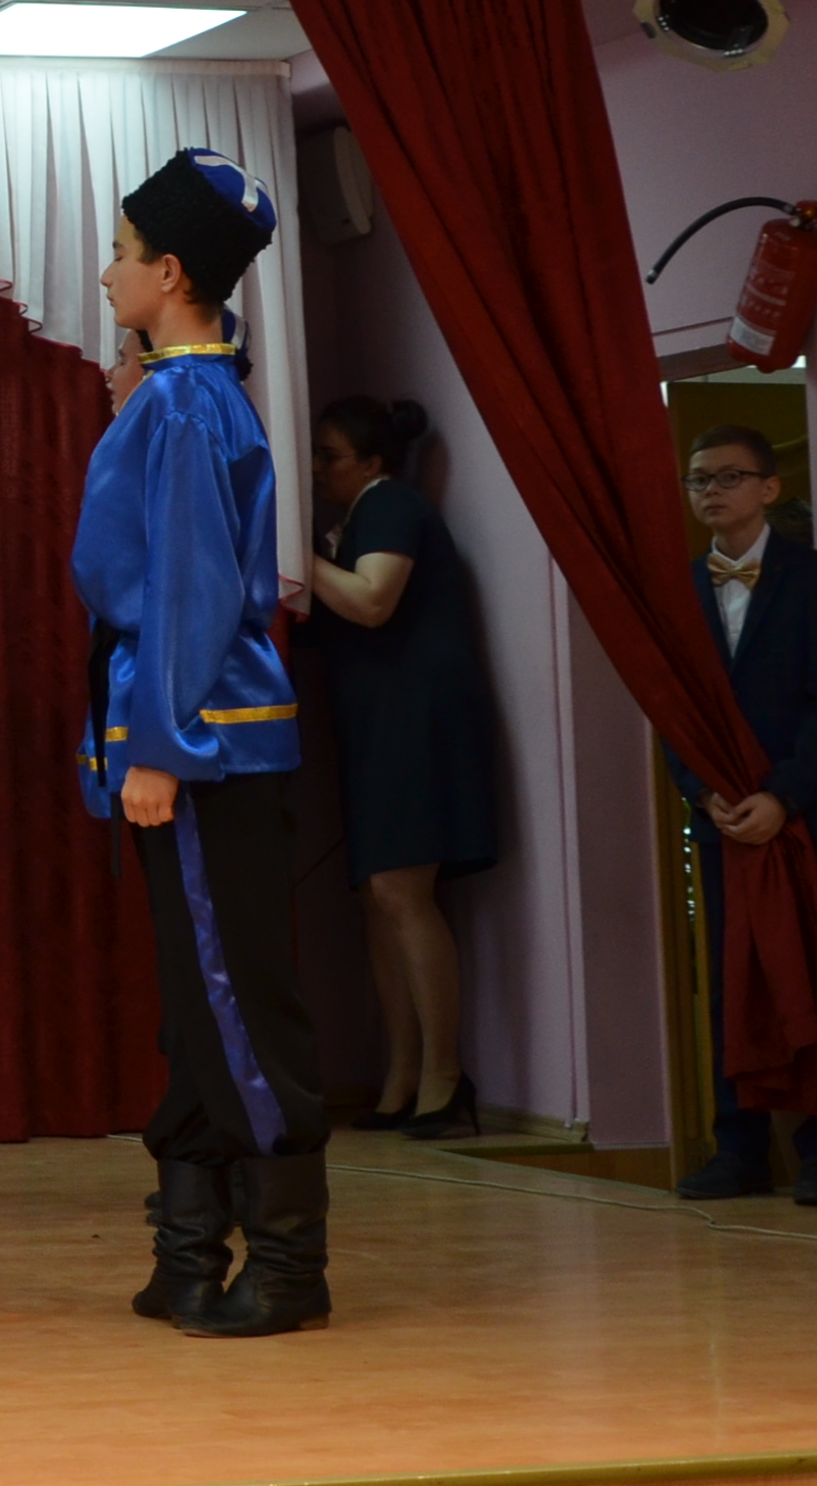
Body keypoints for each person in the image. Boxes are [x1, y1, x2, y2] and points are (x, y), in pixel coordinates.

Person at [80, 148, 329, 1339]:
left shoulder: (184, 402)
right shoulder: (183, 390)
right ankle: (186, 1254)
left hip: (206, 744)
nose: (107, 274)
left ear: (171, 272)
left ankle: (285, 1265)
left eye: (121, 253)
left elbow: (187, 586)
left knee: (232, 1000)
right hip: (194, 731)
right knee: (195, 1003)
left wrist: (161, 746)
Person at [669, 423, 817, 1207]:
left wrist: (782, 796)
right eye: (698, 479)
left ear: (769, 488)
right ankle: (740, 1148)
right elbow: (671, 710)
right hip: (722, 820)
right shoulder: (681, 586)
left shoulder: (814, 578)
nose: (711, 491)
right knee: (729, 982)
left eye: (728, 476)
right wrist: (700, 790)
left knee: (809, 974)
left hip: (800, 816)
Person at [304, 395, 501, 1140]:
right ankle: (403, 1075)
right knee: (378, 898)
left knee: (401, 891)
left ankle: (444, 1076)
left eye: (330, 456)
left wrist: (297, 559)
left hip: (416, 718)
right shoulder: (362, 515)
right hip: (380, 720)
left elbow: (373, 601)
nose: (318, 469)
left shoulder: (390, 506)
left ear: (372, 462)